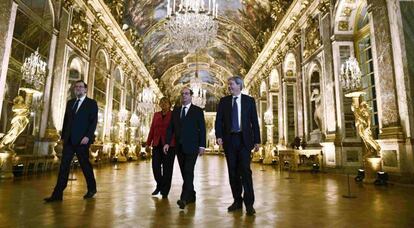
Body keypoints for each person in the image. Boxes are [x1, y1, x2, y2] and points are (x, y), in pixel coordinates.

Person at [44, 80, 98, 202]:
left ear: (85, 89)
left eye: (80, 87)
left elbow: (93, 122)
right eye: (76, 87)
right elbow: (66, 121)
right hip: (69, 140)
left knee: (85, 166)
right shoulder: (70, 103)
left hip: (82, 141)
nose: (78, 89)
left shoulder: (91, 103)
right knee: (64, 167)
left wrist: (88, 136)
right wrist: (63, 137)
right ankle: (57, 194)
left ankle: (92, 188)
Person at [215, 76, 261, 216]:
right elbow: (218, 121)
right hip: (230, 140)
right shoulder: (224, 102)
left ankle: (249, 204)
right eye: (229, 84)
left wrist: (257, 140)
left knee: (245, 172)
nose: (229, 86)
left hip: (244, 140)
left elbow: (254, 122)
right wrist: (219, 136)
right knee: (232, 172)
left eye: (231, 84)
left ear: (239, 85)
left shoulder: (249, 101)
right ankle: (237, 201)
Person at [163, 87, 206, 209]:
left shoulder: (197, 111)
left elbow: (202, 129)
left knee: (188, 170)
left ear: (191, 96)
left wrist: (202, 145)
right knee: (184, 172)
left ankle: (184, 198)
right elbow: (170, 128)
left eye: (186, 94)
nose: (184, 96)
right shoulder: (175, 111)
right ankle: (192, 194)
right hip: (179, 146)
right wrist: (167, 142)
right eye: (182, 94)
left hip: (192, 146)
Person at [146, 97, 175, 198]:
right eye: (161, 102)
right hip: (157, 144)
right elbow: (152, 129)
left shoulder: (173, 114)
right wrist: (148, 143)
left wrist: (171, 142)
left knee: (167, 169)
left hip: (169, 145)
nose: (163, 104)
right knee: (155, 167)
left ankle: (165, 191)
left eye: (165, 102)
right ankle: (159, 185)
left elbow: (175, 130)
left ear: (169, 104)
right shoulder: (156, 115)